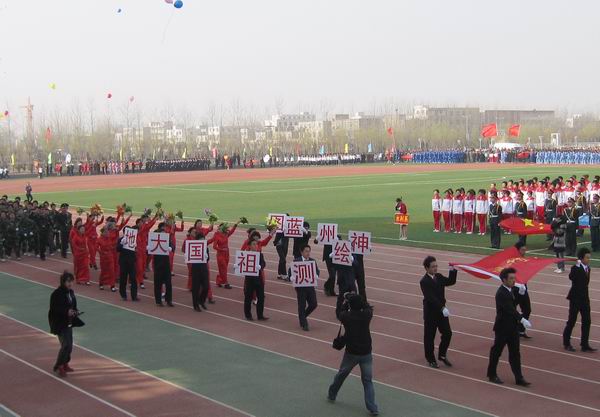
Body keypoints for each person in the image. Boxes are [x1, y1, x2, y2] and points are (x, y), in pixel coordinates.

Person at [327, 293, 378, 416]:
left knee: (341, 375)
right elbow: (368, 307)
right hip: (366, 352)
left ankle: (332, 394)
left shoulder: (346, 317)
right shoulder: (366, 315)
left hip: (352, 353)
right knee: (367, 381)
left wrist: (346, 301)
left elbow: (340, 312)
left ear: (350, 305)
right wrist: (360, 301)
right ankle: (372, 407)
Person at [486, 267, 531, 387]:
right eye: (511, 278)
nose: (513, 280)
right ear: (504, 280)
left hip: (512, 327)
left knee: (515, 353)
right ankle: (491, 374)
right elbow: (510, 309)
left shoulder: (511, 290)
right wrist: (522, 319)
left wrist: (521, 294)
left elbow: (514, 303)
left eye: (514, 278)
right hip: (502, 328)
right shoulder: (501, 293)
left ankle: (519, 377)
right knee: (497, 351)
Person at [419, 256, 457, 368]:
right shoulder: (424, 281)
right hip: (431, 314)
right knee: (429, 337)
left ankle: (442, 354)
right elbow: (430, 298)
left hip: (441, 313)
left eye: (436, 266)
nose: (435, 268)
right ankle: (430, 359)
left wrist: (453, 270)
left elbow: (451, 281)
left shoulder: (439, 277)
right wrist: (442, 308)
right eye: (433, 266)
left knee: (447, 333)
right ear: (426, 268)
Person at [48, 272, 84, 377]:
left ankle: (65, 363)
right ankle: (59, 366)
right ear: (63, 282)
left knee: (70, 346)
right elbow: (54, 308)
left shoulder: (71, 292)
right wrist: (66, 311)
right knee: (66, 345)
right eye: (68, 281)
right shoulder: (56, 294)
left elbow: (73, 305)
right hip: (59, 323)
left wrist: (75, 311)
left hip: (69, 322)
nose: (70, 283)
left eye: (71, 281)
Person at [563, 247, 596, 352]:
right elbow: (571, 277)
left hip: (585, 299)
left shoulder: (588, 268)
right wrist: (577, 267)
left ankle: (584, 344)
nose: (588, 259)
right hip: (575, 299)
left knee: (587, 321)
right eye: (587, 257)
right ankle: (566, 343)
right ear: (581, 258)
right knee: (572, 321)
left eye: (589, 257)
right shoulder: (575, 268)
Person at [291, 244, 319, 331]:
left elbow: (317, 271)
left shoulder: (312, 261)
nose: (308, 253)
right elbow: (290, 271)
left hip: (310, 286)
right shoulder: (296, 261)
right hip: (301, 287)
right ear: (301, 252)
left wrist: (316, 275)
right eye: (306, 251)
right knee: (302, 305)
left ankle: (302, 316)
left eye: (309, 251)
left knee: (313, 304)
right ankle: (304, 324)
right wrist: (291, 277)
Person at [243, 239, 268, 321]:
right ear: (249, 246)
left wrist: (261, 266)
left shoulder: (260, 255)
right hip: (249, 279)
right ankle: (248, 315)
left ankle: (260, 315)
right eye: (253, 244)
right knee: (248, 297)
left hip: (259, 279)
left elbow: (263, 263)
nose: (256, 246)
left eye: (256, 244)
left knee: (261, 297)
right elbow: (242, 265)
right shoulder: (245, 255)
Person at [213, 221, 240, 289]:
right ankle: (226, 283)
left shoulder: (226, 234)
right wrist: (221, 249)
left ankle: (219, 281)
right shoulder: (216, 235)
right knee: (224, 268)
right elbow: (214, 246)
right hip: (220, 254)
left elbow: (232, 231)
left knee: (223, 269)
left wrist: (236, 224)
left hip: (227, 254)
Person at [152, 223, 174, 307]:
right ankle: (158, 301)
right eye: (162, 234)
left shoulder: (167, 240)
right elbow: (149, 248)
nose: (164, 235)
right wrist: (148, 248)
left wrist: (170, 248)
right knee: (158, 283)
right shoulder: (154, 240)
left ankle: (169, 300)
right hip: (158, 264)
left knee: (168, 283)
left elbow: (172, 245)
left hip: (166, 264)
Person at [513, 242, 532, 339]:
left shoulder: (524, 260)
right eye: (522, 250)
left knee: (527, 309)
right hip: (514, 289)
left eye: (525, 250)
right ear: (517, 250)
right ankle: (508, 329)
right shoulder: (512, 261)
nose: (524, 252)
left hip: (523, 288)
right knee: (510, 310)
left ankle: (520, 330)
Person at [118, 228, 138, 301]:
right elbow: (117, 249)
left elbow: (136, 250)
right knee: (123, 279)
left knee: (133, 279)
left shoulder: (134, 240)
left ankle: (134, 296)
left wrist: (135, 248)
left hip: (131, 262)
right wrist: (121, 244)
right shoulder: (121, 240)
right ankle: (123, 295)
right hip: (123, 262)